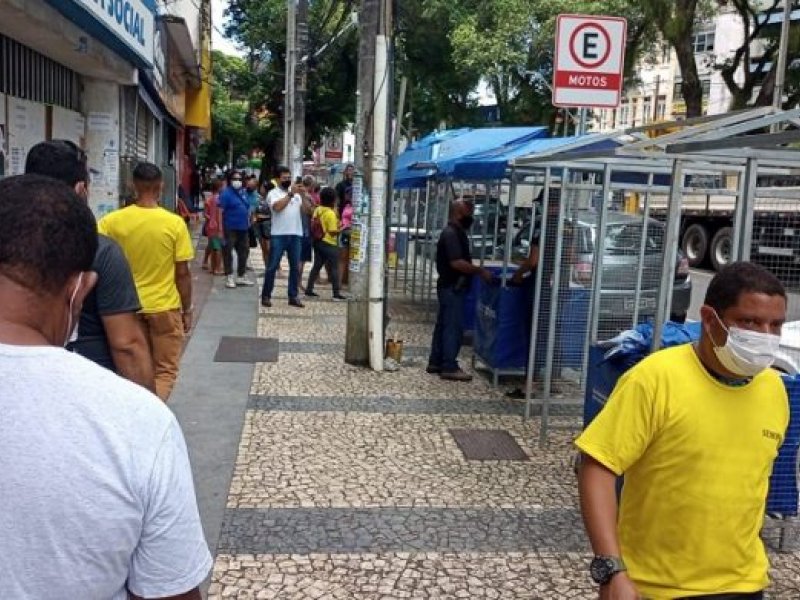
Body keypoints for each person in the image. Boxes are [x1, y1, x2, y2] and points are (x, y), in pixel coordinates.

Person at [0, 174, 211, 598]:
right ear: (79, 289)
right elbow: (171, 590)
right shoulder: (138, 423)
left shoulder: (114, 222)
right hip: (160, 312)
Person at [576, 261, 789, 600]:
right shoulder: (654, 379)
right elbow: (597, 466)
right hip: (656, 587)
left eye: (774, 325)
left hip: (745, 583)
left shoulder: (774, 389)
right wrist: (611, 569)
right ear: (709, 318)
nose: (764, 336)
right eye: (749, 321)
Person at [24, 140, 155, 392]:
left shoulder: (11, 243)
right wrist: (148, 413)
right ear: (81, 190)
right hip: (91, 385)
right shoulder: (101, 251)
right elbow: (126, 344)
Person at [99, 162, 195, 401]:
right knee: (164, 370)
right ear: (161, 186)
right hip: (164, 307)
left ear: (133, 185)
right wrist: (187, 309)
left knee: (130, 369)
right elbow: (182, 273)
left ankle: (136, 411)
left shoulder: (111, 222)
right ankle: (153, 415)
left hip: (125, 309)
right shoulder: (174, 224)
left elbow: (98, 258)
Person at [427, 199, 493, 381]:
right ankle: (448, 365)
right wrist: (479, 271)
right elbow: (456, 262)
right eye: (468, 213)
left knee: (443, 325)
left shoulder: (456, 232)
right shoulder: (451, 234)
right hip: (452, 287)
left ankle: (436, 361)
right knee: (452, 327)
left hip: (449, 286)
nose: (470, 217)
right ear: (458, 213)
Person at [261, 166, 305, 308]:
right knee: (272, 266)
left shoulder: (297, 195)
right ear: (278, 179)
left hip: (295, 234)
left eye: (289, 178)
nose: (287, 180)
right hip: (279, 235)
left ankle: (293, 295)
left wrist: (304, 195)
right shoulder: (273, 194)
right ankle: (266, 295)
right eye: (284, 178)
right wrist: (290, 194)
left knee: (295, 267)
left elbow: (307, 211)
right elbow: (277, 208)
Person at [305, 186, 346, 301]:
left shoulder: (318, 210)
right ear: (333, 199)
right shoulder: (330, 214)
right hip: (329, 242)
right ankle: (336, 294)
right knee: (334, 268)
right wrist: (341, 228)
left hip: (317, 241)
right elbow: (333, 231)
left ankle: (309, 289)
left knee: (317, 266)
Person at [219, 170, 255, 289]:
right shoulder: (226, 193)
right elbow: (220, 211)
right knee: (228, 252)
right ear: (230, 180)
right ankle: (229, 276)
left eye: (239, 179)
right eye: (235, 179)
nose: (237, 181)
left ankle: (241, 275)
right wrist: (220, 229)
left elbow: (247, 206)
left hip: (243, 227)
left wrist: (250, 218)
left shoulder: (243, 192)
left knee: (244, 251)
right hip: (230, 227)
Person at [298, 175, 317, 290]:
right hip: (304, 231)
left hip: (296, 230)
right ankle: (297, 283)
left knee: (298, 259)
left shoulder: (295, 193)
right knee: (301, 260)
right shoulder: (305, 196)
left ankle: (297, 283)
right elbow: (310, 211)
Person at [203, 179, 225, 275]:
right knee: (218, 248)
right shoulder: (220, 200)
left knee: (212, 247)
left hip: (210, 226)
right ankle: (218, 268)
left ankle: (212, 268)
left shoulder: (209, 199)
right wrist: (220, 227)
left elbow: (205, 214)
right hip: (218, 227)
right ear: (219, 187)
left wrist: (211, 219)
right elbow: (221, 215)